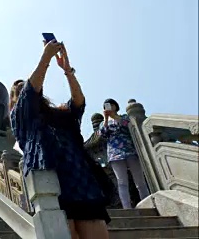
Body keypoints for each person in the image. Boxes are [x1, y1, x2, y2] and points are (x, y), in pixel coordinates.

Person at [11, 40, 110, 239]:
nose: (24, 88)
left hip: (79, 179)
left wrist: (67, 71)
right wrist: (46, 57)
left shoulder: (58, 114)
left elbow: (78, 103)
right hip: (48, 179)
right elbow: (30, 92)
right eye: (18, 90)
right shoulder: (21, 116)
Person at [99, 98, 150, 208]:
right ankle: (127, 207)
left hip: (130, 150)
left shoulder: (124, 117)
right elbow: (103, 134)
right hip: (114, 153)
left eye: (111, 105)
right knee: (121, 182)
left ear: (116, 106)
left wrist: (114, 117)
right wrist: (106, 119)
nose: (109, 107)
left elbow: (129, 126)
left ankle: (147, 204)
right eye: (107, 106)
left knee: (139, 180)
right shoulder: (104, 122)